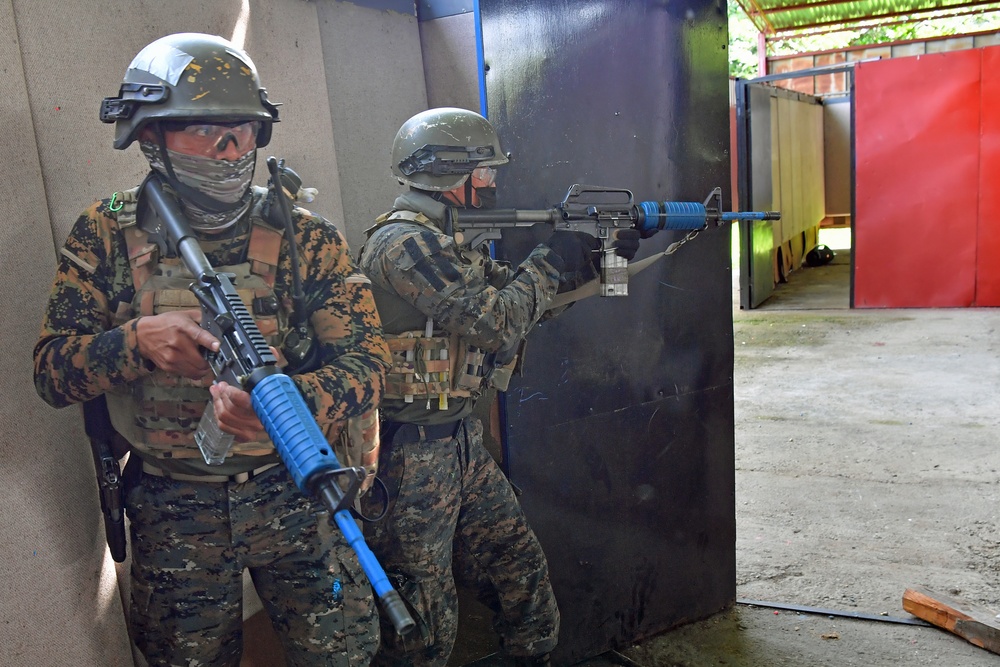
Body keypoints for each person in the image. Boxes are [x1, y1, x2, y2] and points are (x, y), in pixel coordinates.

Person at [33, 33, 391, 666]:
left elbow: (369, 362)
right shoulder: (106, 233)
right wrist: (133, 344)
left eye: (244, 131)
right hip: (175, 510)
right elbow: (51, 374)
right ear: (148, 137)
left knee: (347, 655)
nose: (231, 151)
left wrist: (291, 405)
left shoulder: (305, 237)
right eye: (203, 130)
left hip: (295, 492)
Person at [358, 107, 641, 666]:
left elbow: (520, 305)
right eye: (483, 172)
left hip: (456, 442)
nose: (492, 183)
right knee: (423, 614)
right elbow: (497, 321)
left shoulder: (445, 245)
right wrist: (550, 256)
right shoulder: (404, 246)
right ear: (451, 174)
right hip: (410, 455)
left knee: (517, 567)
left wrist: (586, 262)